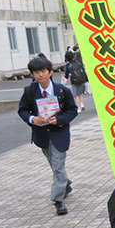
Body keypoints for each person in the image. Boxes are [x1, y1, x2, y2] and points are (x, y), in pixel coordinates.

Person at [17, 56, 79, 216]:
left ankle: (58, 200)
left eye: (43, 71)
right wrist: (33, 119)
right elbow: (22, 110)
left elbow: (72, 110)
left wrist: (58, 119)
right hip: (42, 134)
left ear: (50, 72)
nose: (40, 75)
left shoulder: (62, 91)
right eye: (36, 72)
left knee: (58, 166)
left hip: (59, 133)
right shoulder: (30, 91)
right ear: (33, 74)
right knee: (54, 165)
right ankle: (65, 184)